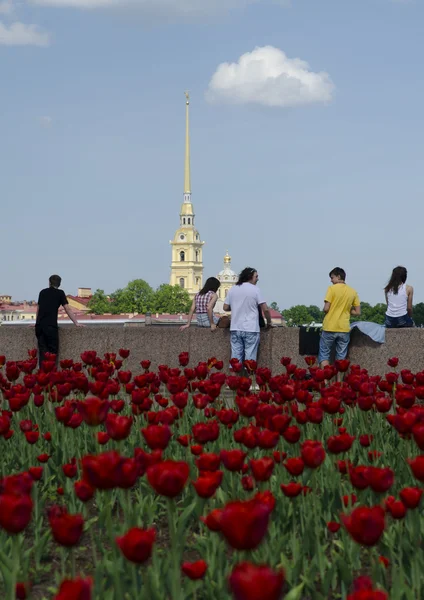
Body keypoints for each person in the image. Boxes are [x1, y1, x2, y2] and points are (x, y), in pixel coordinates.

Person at [223, 267, 271, 364]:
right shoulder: (255, 290)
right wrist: (269, 322)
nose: (258, 279)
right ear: (250, 277)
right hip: (251, 328)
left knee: (235, 360)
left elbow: (225, 307)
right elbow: (265, 309)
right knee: (250, 361)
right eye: (256, 276)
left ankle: (233, 378)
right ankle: (249, 379)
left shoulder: (233, 289)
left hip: (235, 328)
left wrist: (237, 306)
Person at [35, 274, 82, 366]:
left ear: (49, 282)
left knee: (42, 353)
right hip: (51, 327)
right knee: (52, 353)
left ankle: (42, 376)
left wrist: (36, 322)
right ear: (59, 284)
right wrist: (76, 323)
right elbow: (67, 309)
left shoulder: (42, 292)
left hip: (40, 327)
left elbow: (38, 309)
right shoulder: (60, 293)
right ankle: (51, 375)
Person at [318, 267, 360, 369]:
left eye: (332, 278)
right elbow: (357, 312)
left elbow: (326, 308)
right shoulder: (353, 291)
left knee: (324, 355)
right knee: (341, 358)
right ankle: (339, 382)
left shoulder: (331, 289)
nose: (331, 280)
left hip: (329, 327)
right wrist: (346, 308)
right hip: (344, 328)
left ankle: (326, 381)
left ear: (338, 276)